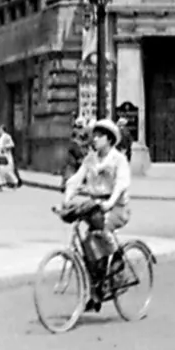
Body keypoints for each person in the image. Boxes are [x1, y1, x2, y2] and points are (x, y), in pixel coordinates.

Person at [62, 118, 133, 310]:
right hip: (95, 205)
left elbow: (121, 183)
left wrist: (110, 202)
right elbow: (76, 179)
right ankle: (97, 288)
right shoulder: (90, 159)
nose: (94, 139)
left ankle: (120, 270)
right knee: (88, 244)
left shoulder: (118, 159)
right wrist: (67, 199)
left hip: (116, 206)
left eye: (99, 136)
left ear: (109, 140)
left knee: (102, 232)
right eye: (94, 135)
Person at [0, 125, 20, 191]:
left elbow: (12, 144)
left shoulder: (7, 136)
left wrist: (5, 147)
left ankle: (15, 182)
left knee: (7, 170)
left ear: (2, 129)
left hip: (5, 156)